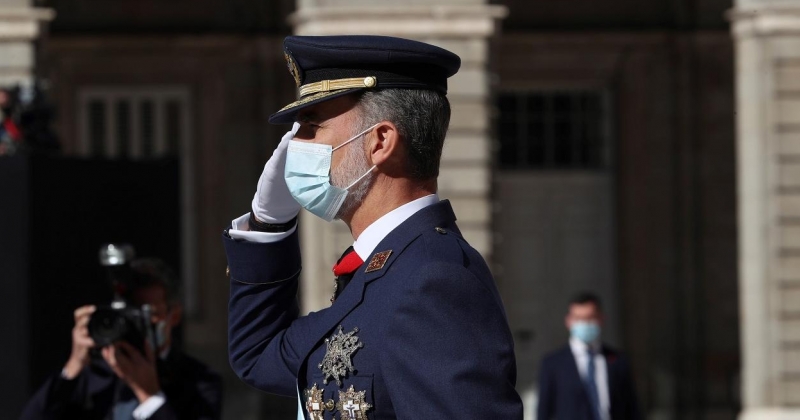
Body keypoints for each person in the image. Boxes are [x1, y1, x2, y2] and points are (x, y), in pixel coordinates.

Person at [223, 35, 523, 419]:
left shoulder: (433, 279)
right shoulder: (383, 269)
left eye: (311, 129)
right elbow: (259, 354)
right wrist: (267, 225)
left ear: (380, 141)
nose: (294, 147)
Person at [20, 258, 222, 420]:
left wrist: (150, 396)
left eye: (147, 313)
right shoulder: (96, 373)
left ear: (174, 315)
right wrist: (74, 365)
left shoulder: (200, 381)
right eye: (129, 313)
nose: (136, 323)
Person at [537, 293, 641, 420]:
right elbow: (544, 411)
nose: (584, 324)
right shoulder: (553, 364)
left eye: (590, 318)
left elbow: (631, 408)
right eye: (578, 318)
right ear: (568, 321)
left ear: (601, 319)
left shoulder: (617, 360)